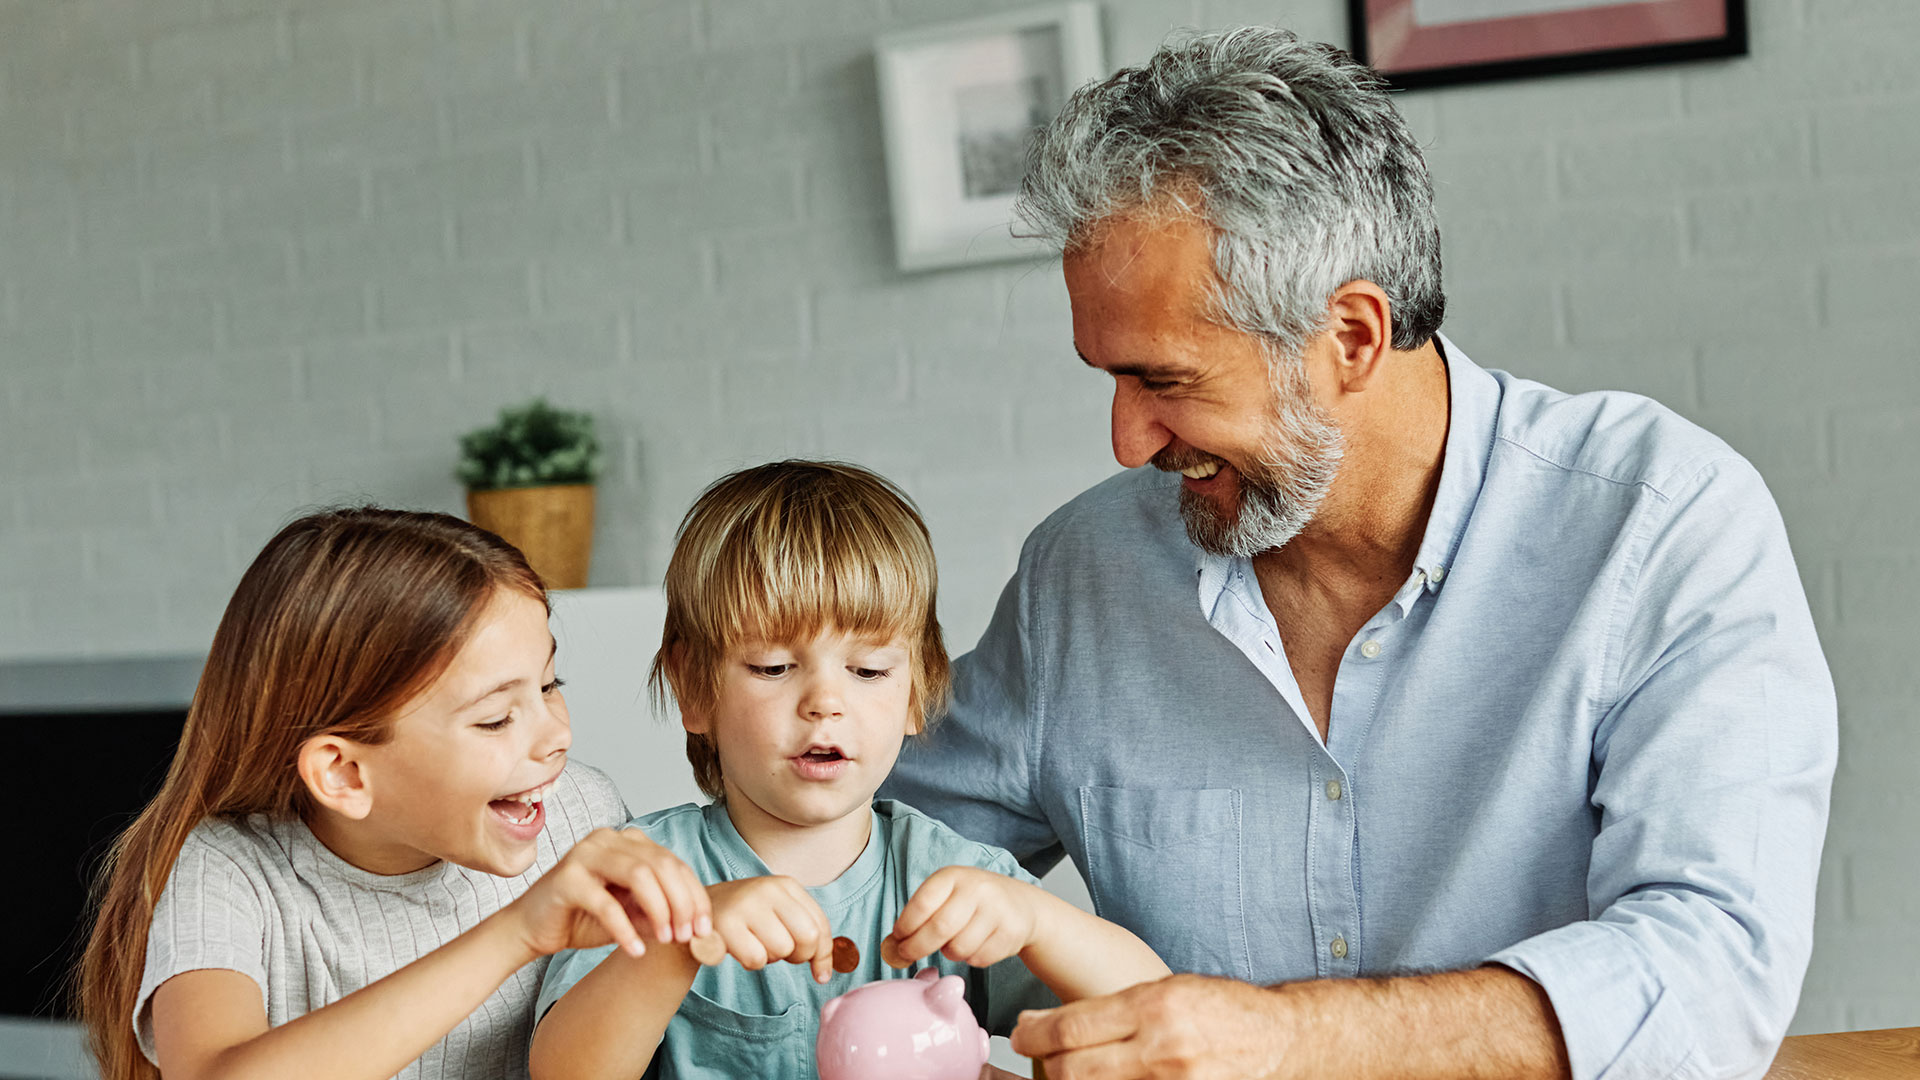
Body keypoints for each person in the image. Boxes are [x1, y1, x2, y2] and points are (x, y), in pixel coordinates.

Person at [879, 27, 1838, 1080]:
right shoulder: (1082, 574)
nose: (1125, 441)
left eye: (1166, 381)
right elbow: (867, 865)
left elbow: (1713, 972)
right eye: (1108, 378)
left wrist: (1289, 1042)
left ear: (1351, 337)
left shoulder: (1661, 525)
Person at [530, 461, 1168, 1080]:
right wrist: (674, 950)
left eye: (868, 671)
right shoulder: (644, 877)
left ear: (917, 692)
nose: (825, 702)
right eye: (774, 668)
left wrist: (1040, 922)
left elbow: (1159, 1016)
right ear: (695, 690)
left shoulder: (950, 877)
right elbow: (560, 1071)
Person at [79, 508, 711, 1080]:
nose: (558, 736)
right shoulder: (229, 871)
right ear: (345, 774)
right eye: (495, 718)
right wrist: (519, 931)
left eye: (549, 684)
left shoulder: (582, 813)